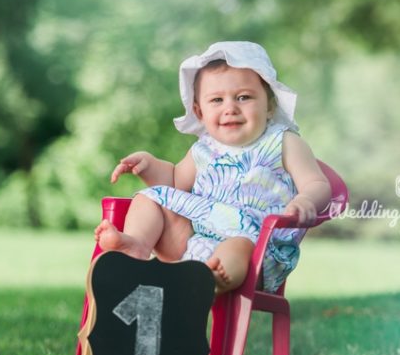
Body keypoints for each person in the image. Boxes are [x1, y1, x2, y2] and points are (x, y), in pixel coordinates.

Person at [94, 41, 331, 293]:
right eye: (217, 100)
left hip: (257, 248)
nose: (230, 108)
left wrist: (306, 199)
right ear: (199, 112)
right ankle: (138, 246)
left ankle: (211, 280)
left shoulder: (284, 142)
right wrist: (148, 166)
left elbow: (317, 183)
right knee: (150, 198)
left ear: (269, 105)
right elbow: (174, 183)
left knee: (236, 246)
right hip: (194, 241)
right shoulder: (203, 149)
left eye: (244, 97)